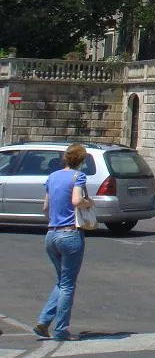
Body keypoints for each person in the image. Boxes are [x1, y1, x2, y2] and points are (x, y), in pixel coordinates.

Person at [35, 144, 94, 341]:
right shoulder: (79, 177)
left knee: (62, 282)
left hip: (51, 235)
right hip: (70, 234)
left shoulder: (52, 177)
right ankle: (61, 330)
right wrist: (89, 203)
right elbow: (77, 201)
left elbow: (45, 206)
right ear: (82, 161)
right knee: (68, 285)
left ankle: (44, 322)